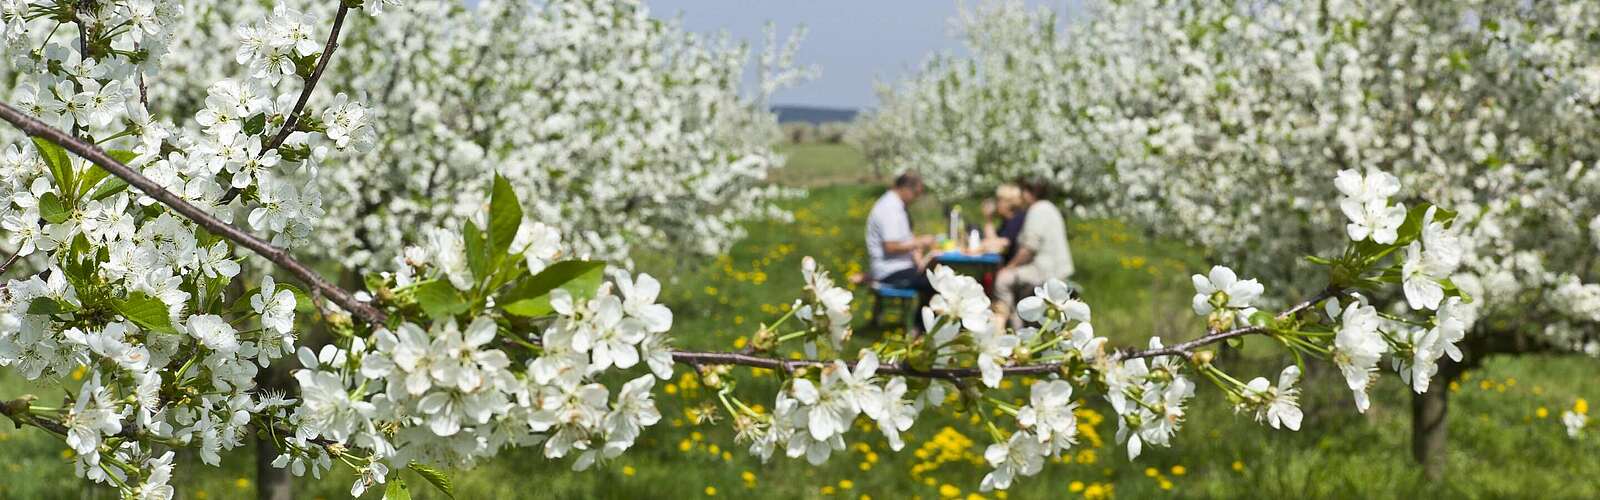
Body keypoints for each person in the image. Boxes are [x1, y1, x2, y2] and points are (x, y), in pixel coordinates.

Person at [994, 178, 1075, 327]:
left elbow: (1029, 249)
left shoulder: (1037, 210)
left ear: (1029, 193)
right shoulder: (1050, 208)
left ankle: (1011, 326)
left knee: (1002, 279)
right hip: (1058, 270)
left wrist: (1010, 266)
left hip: (1045, 272)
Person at [866, 171, 937, 323]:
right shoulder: (889, 209)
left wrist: (918, 254)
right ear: (905, 188)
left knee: (934, 276)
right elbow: (891, 246)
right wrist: (920, 242)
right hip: (890, 270)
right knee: (934, 283)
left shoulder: (897, 206)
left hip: (900, 266)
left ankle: (924, 325)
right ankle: (922, 327)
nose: (916, 198)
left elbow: (904, 240)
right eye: (916, 193)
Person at [980, 184, 1028, 261]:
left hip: (1014, 268)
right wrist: (989, 219)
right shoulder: (1007, 220)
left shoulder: (1018, 219)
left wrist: (985, 244)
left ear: (1007, 202)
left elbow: (999, 246)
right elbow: (992, 240)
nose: (996, 204)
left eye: (998, 200)